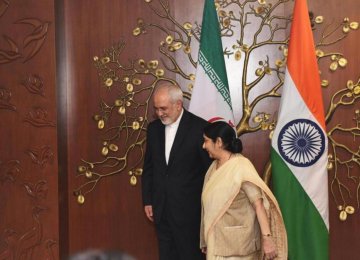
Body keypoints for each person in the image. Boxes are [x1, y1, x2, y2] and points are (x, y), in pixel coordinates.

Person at [141, 83, 212, 260]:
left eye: (163, 108)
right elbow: (149, 167)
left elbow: (210, 171)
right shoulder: (154, 129)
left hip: (190, 212)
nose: (159, 113)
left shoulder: (200, 128)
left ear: (178, 104)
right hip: (161, 209)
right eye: (156, 109)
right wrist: (148, 200)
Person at [200, 121, 287, 260]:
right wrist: (205, 239)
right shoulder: (213, 167)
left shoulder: (241, 167)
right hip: (217, 244)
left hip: (239, 248)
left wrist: (267, 239)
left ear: (219, 142)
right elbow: (209, 206)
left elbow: (258, 205)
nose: (203, 146)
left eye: (206, 141)